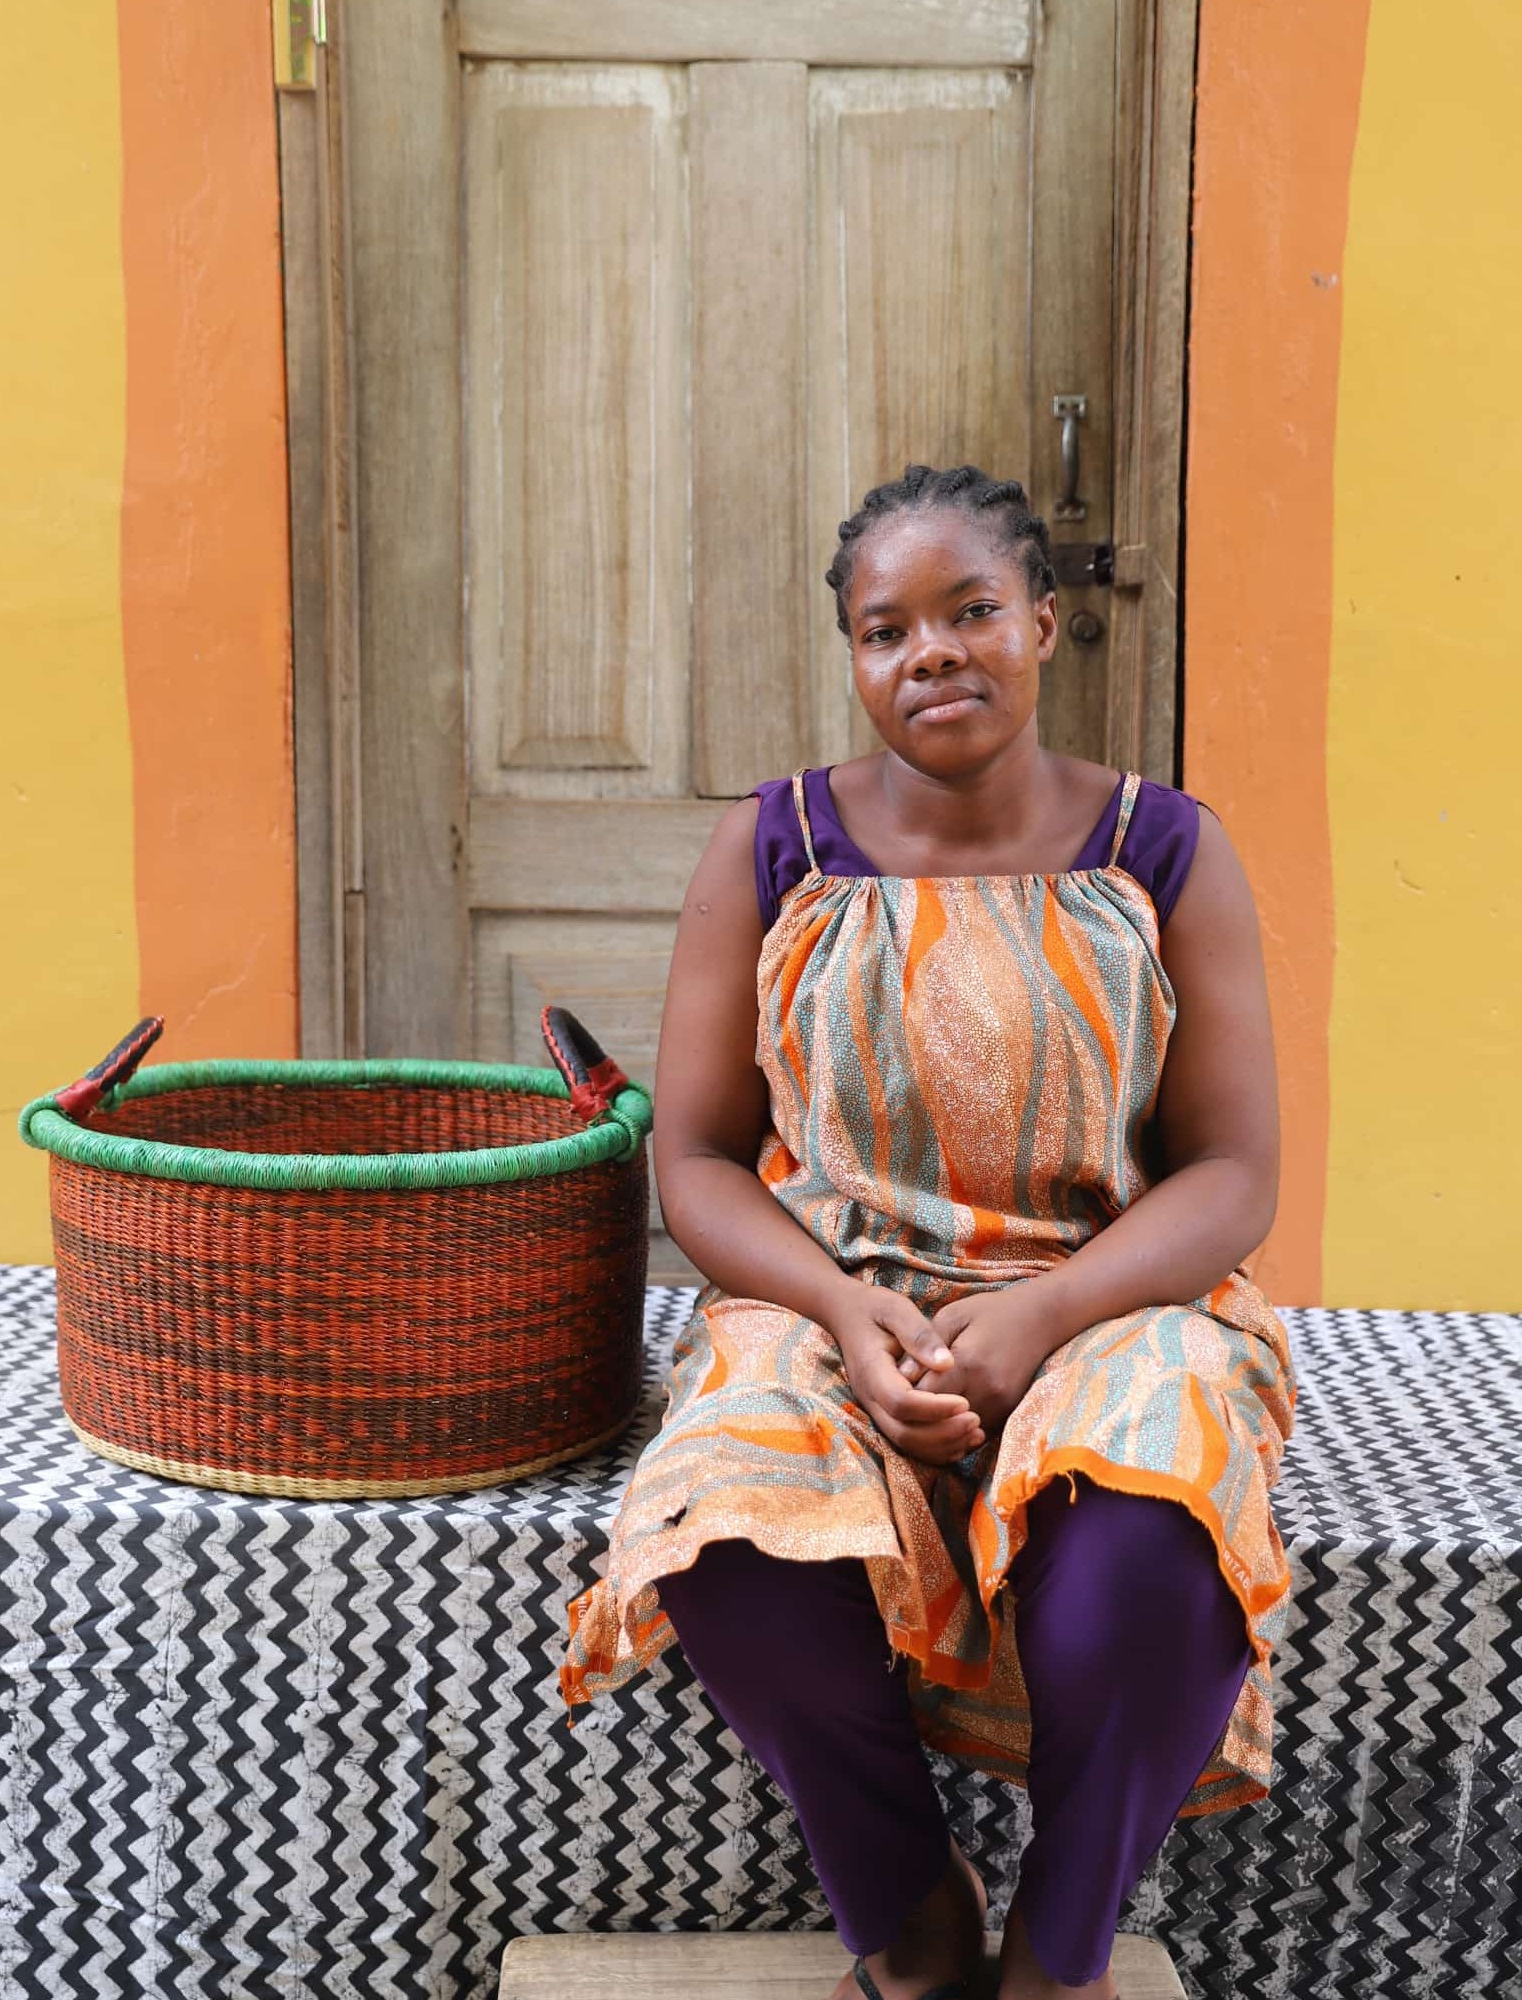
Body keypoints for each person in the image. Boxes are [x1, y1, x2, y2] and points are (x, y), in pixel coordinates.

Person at [559, 464, 1296, 2000]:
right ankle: (913, 1921)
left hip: (1113, 1297)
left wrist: (1044, 1317)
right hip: (837, 1300)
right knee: (727, 1524)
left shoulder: (1164, 851)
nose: (934, 652)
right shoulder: (775, 851)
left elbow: (1230, 1171)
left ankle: (1058, 1955)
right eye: (887, 628)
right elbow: (694, 1159)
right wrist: (835, 1310)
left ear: (1043, 621)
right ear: (852, 659)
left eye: (972, 612)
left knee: (1153, 1553)